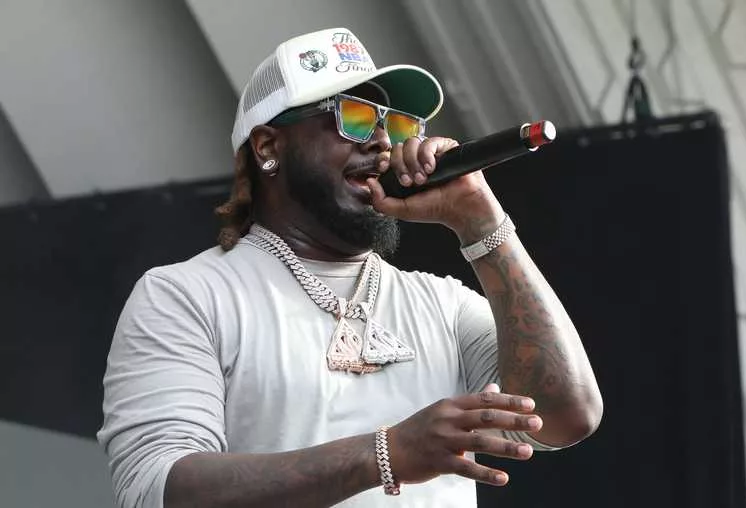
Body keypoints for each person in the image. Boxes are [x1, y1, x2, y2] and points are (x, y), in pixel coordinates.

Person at [97, 27, 603, 508]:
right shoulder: (186, 296)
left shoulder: (444, 307)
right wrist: (383, 454)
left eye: (397, 124)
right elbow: (157, 489)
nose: (383, 142)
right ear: (269, 146)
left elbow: (565, 416)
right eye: (355, 117)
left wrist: (481, 222)